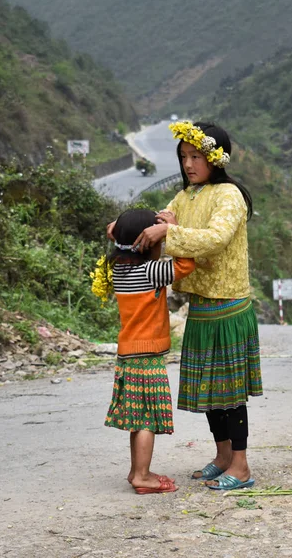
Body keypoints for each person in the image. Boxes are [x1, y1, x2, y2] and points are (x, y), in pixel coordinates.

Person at [132, 121, 263, 491]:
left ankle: (241, 465)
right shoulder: (186, 196)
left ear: (216, 158)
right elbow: (161, 222)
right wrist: (130, 227)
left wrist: (170, 231)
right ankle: (222, 457)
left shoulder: (228, 196)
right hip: (201, 307)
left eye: (197, 156)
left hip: (229, 306)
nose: (189, 164)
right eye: (184, 157)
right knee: (210, 392)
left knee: (231, 393)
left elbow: (216, 238)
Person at [93, 208, 195, 494]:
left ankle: (136, 470)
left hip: (128, 355)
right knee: (148, 418)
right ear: (147, 244)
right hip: (147, 357)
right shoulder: (152, 271)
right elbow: (186, 266)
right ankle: (143, 477)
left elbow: (120, 238)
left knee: (137, 418)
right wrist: (173, 229)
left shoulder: (118, 270)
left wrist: (122, 229)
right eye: (158, 241)